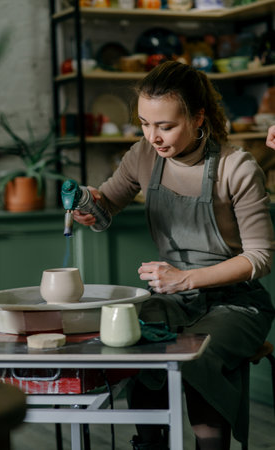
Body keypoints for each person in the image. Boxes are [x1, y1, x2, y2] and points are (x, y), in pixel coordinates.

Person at [73, 61, 275, 450]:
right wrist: (89, 205)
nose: (153, 137)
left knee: (196, 355)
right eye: (145, 124)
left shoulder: (236, 167)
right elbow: (105, 207)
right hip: (172, 298)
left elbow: (260, 258)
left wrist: (185, 278)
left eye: (165, 126)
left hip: (237, 303)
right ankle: (149, 443)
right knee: (136, 345)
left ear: (198, 117)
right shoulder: (143, 156)